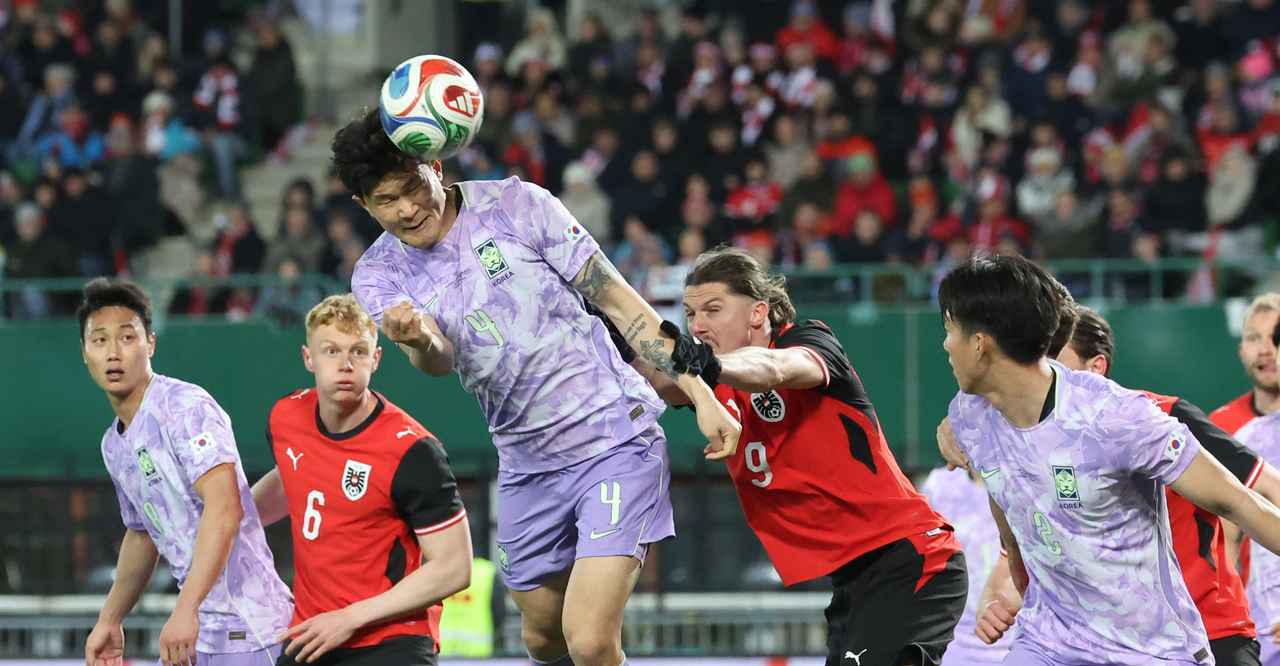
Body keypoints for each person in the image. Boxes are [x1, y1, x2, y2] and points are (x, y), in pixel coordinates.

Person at [332, 106, 739, 666]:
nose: (406, 208)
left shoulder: (517, 204)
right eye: (385, 200)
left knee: (589, 639)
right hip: (525, 463)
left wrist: (701, 393)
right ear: (363, 205)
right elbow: (438, 362)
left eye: (411, 186)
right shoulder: (377, 274)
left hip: (614, 438)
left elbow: (622, 304)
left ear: (435, 165)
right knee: (543, 638)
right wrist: (419, 339)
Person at [939, 255, 1280, 665]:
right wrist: (1008, 578)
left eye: (949, 331)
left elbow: (1238, 501)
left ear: (980, 345)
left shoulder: (1116, 419)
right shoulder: (969, 416)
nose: (945, 345)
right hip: (1049, 644)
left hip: (1151, 649)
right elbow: (1006, 501)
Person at [668, 247, 966, 666]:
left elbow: (776, 368)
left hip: (910, 558)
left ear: (758, 312)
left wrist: (707, 363)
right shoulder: (711, 384)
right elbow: (657, 375)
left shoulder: (807, 340)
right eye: (690, 313)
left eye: (712, 310)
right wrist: (614, 329)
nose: (698, 325)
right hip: (854, 579)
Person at [78, 278, 293, 666]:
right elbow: (143, 533)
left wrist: (185, 607)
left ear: (151, 344)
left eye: (127, 337)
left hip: (252, 631)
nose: (113, 352)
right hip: (198, 636)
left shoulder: (184, 406)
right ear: (84, 352)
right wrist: (110, 619)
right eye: (100, 340)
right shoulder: (113, 445)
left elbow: (225, 508)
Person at [251, 294, 473, 665]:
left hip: (392, 639)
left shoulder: (413, 450)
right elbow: (290, 476)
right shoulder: (285, 417)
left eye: (358, 351)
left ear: (376, 359)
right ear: (308, 358)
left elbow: (455, 568)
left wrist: (348, 618)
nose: (345, 365)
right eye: (331, 351)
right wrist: (229, 523)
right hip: (312, 634)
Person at [1212, 294, 1280, 436]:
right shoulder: (1219, 427)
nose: (1265, 350)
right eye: (1253, 338)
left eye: (1275, 337)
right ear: (1241, 352)